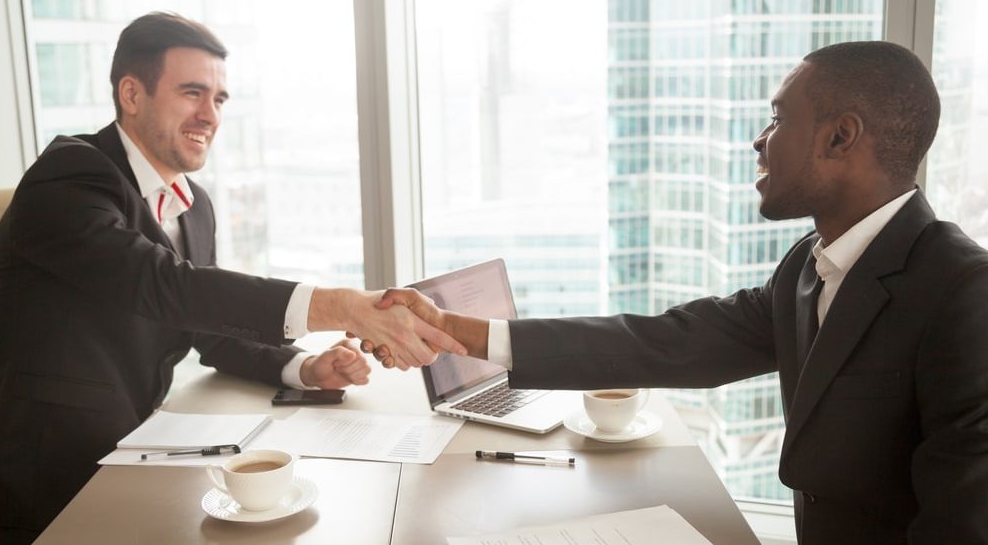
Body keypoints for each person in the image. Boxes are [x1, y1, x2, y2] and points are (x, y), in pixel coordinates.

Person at [368, 41, 988, 544]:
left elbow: (962, 525)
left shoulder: (963, 292)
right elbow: (670, 342)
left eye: (778, 118)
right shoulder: (809, 265)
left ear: (840, 137)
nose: (760, 140)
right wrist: (459, 332)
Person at [0, 11, 465, 542]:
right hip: (49, 476)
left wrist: (305, 369)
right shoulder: (68, 177)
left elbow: (205, 325)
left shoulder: (195, 207)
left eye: (219, 99)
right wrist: (341, 306)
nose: (209, 115)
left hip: (141, 452)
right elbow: (163, 284)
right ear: (132, 94)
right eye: (192, 93)